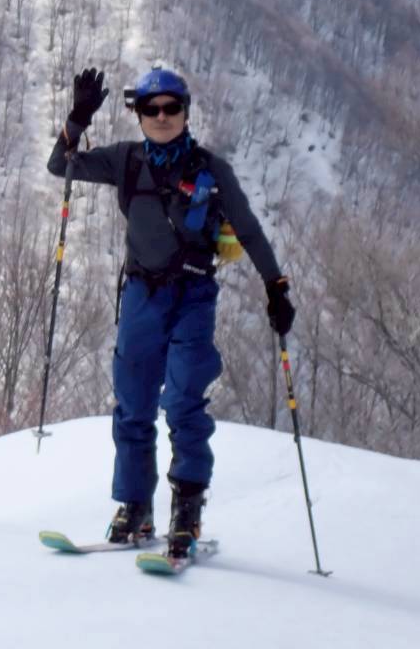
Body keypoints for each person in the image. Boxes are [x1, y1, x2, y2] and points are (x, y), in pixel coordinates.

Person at [47, 65, 296, 558]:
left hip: (193, 296)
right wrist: (78, 117)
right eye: (151, 108)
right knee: (133, 404)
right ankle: (135, 507)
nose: (161, 116)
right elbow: (62, 165)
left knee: (183, 401)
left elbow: (248, 229)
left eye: (170, 107)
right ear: (138, 114)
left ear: (185, 111)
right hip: (140, 295)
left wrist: (276, 287)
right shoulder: (125, 160)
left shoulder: (211, 170)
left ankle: (187, 511)